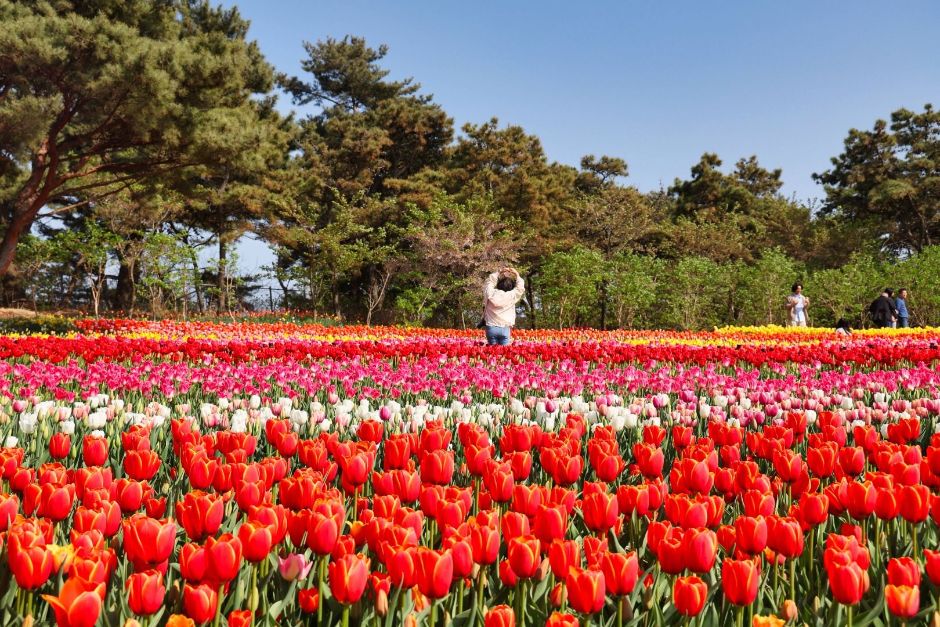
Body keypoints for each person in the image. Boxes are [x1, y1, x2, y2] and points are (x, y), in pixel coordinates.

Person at [483, 267, 525, 345]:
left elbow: (489, 283)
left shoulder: (490, 294)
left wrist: (498, 272)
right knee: (503, 353)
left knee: (493, 352)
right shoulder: (512, 295)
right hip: (505, 328)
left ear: (498, 285)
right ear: (511, 287)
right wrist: (517, 275)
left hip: (491, 327)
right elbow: (520, 288)